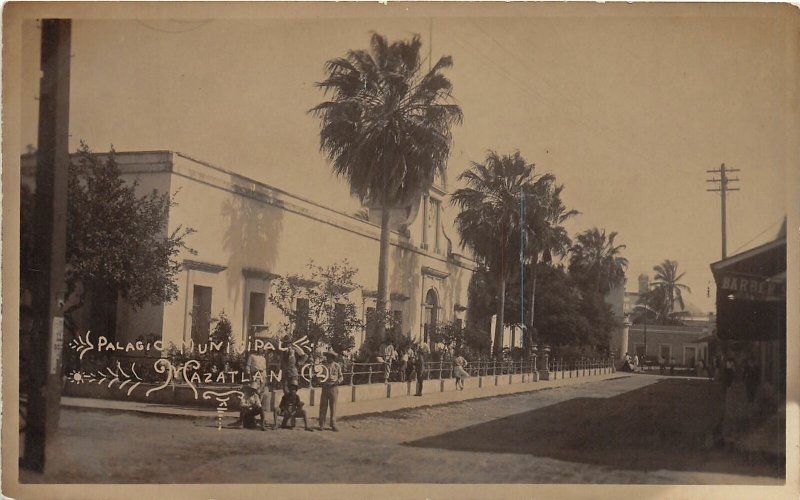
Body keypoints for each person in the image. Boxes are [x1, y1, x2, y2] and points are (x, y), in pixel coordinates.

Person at [318, 351, 343, 431]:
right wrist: (320, 380)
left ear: (333, 357)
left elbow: (341, 377)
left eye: (331, 356)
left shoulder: (337, 366)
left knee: (333, 407)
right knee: (323, 406)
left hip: (334, 387)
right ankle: (321, 424)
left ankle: (333, 424)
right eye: (328, 356)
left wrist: (337, 381)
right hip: (325, 387)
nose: (329, 357)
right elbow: (319, 376)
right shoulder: (323, 366)